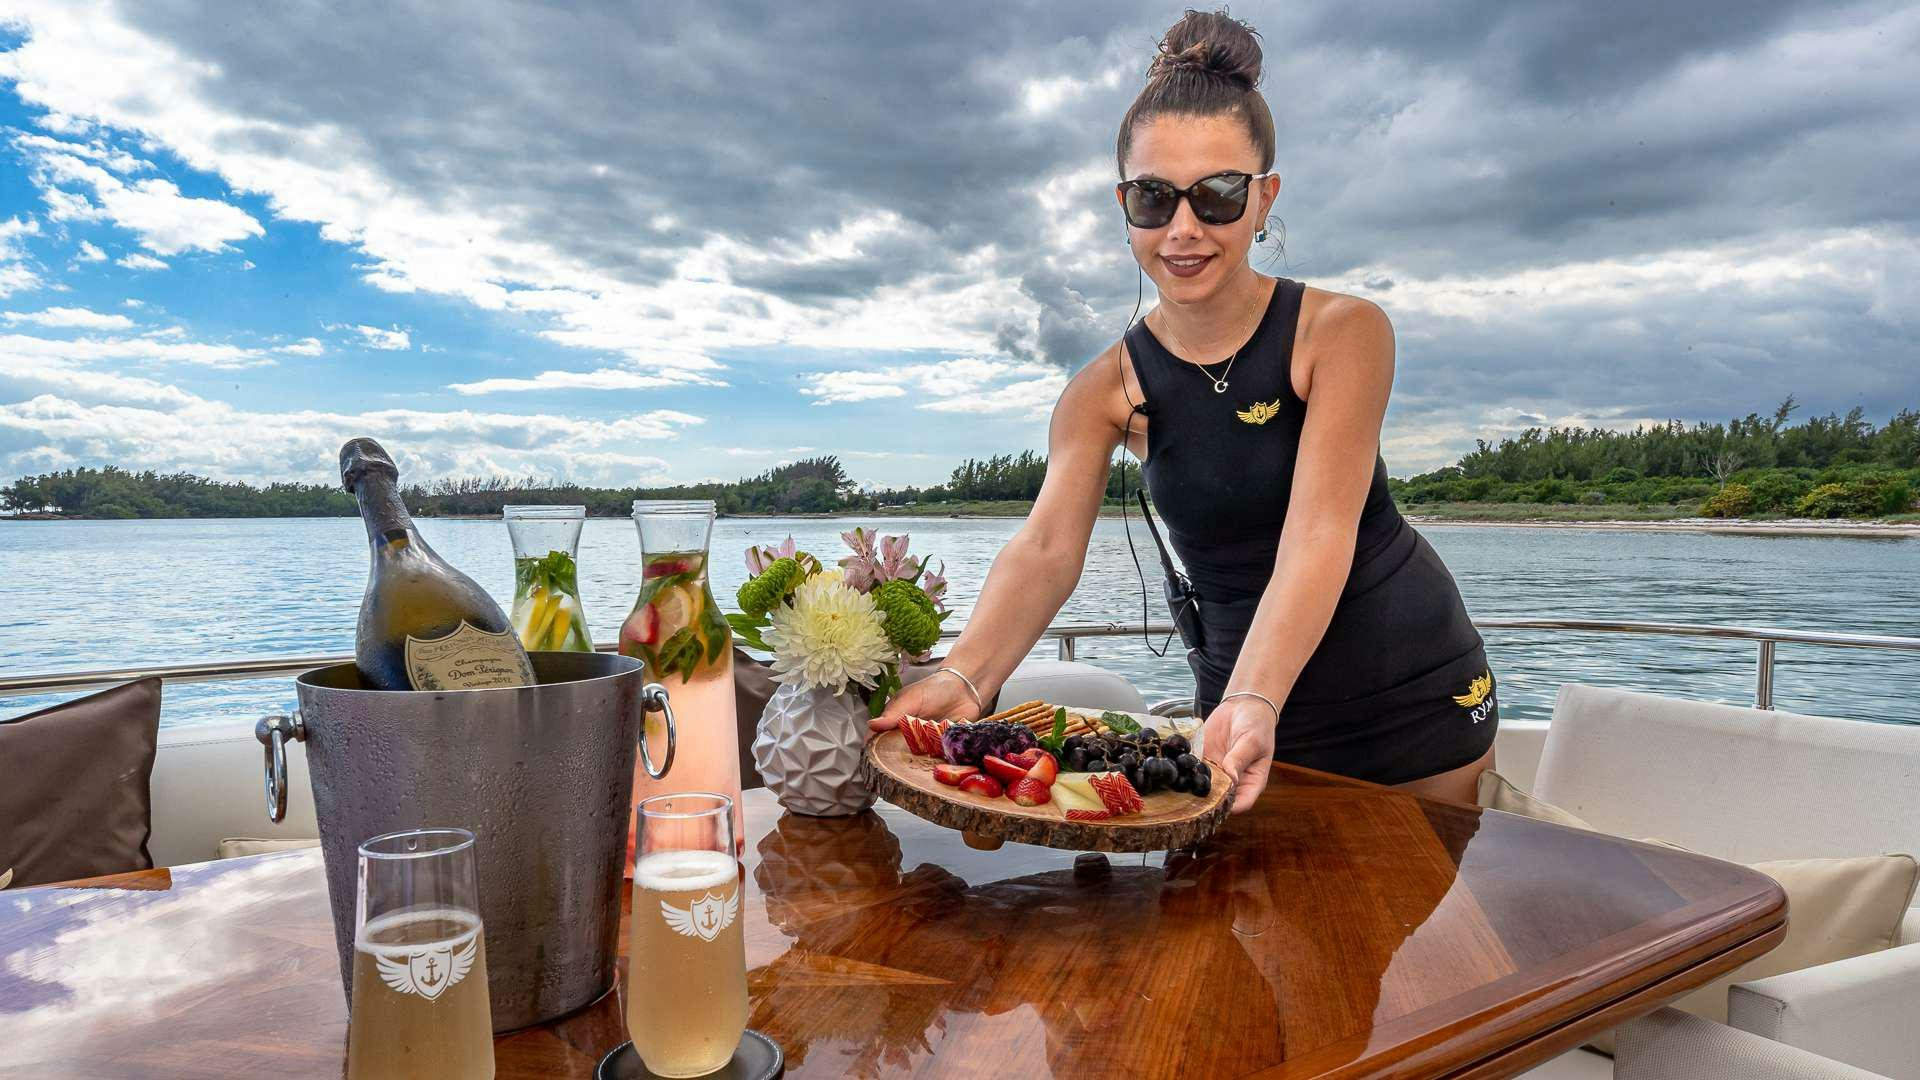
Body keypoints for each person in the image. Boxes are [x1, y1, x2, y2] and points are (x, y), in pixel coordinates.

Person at [873, 9, 1497, 808]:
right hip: (1231, 714)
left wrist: (1255, 697)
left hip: (1406, 696)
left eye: (1219, 195)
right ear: (1124, 204)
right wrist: (967, 675)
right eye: (1155, 199)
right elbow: (1044, 551)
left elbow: (1316, 535)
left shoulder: (1340, 333)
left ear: (1265, 198)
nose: (1184, 229)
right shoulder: (1103, 391)